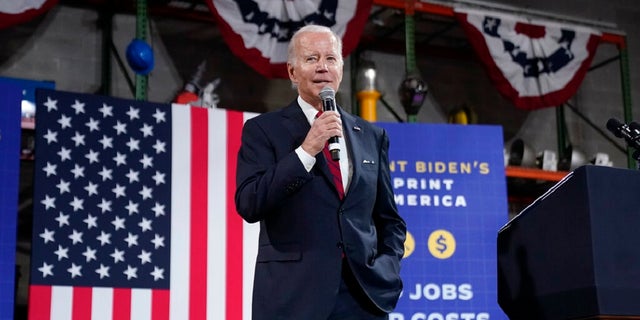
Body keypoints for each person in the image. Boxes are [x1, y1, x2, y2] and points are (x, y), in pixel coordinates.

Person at [235, 24, 406, 320]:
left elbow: (389, 219)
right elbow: (250, 202)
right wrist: (306, 151)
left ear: (340, 68)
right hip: (294, 298)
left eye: (330, 59)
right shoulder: (263, 130)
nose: (322, 67)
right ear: (292, 72)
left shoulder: (371, 136)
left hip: (362, 297)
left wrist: (386, 268)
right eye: (311, 58)